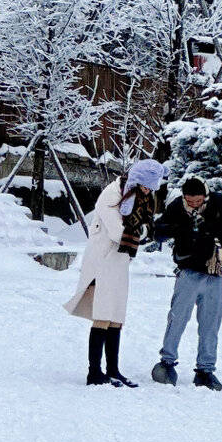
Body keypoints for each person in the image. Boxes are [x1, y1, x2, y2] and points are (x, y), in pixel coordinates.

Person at [64, 159, 165, 387]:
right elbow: (117, 232)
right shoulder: (112, 194)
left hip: (120, 260)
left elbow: (145, 226)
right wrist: (140, 233)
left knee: (117, 316)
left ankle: (113, 370)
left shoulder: (141, 196)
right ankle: (94, 372)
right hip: (103, 260)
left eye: (152, 186)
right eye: (147, 185)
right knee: (103, 314)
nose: (149, 190)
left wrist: (141, 231)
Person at [151, 175, 222, 390]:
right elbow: (158, 231)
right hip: (189, 272)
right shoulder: (177, 207)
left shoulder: (221, 202)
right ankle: (167, 363)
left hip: (216, 273)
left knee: (211, 323)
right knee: (177, 318)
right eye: (189, 201)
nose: (193, 204)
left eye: (197, 201)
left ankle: (205, 370)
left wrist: (216, 226)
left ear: (205, 195)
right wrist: (178, 227)